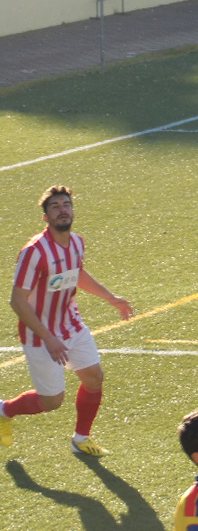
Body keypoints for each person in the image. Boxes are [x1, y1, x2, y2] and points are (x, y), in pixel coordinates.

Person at [0, 186, 134, 456]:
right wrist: (49, 338)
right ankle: (4, 410)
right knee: (52, 401)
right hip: (40, 335)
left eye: (66, 205)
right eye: (55, 207)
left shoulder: (76, 243)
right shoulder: (34, 252)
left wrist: (111, 298)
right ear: (46, 217)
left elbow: (77, 273)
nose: (62, 210)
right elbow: (17, 301)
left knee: (94, 377)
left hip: (70, 324)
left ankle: (81, 438)